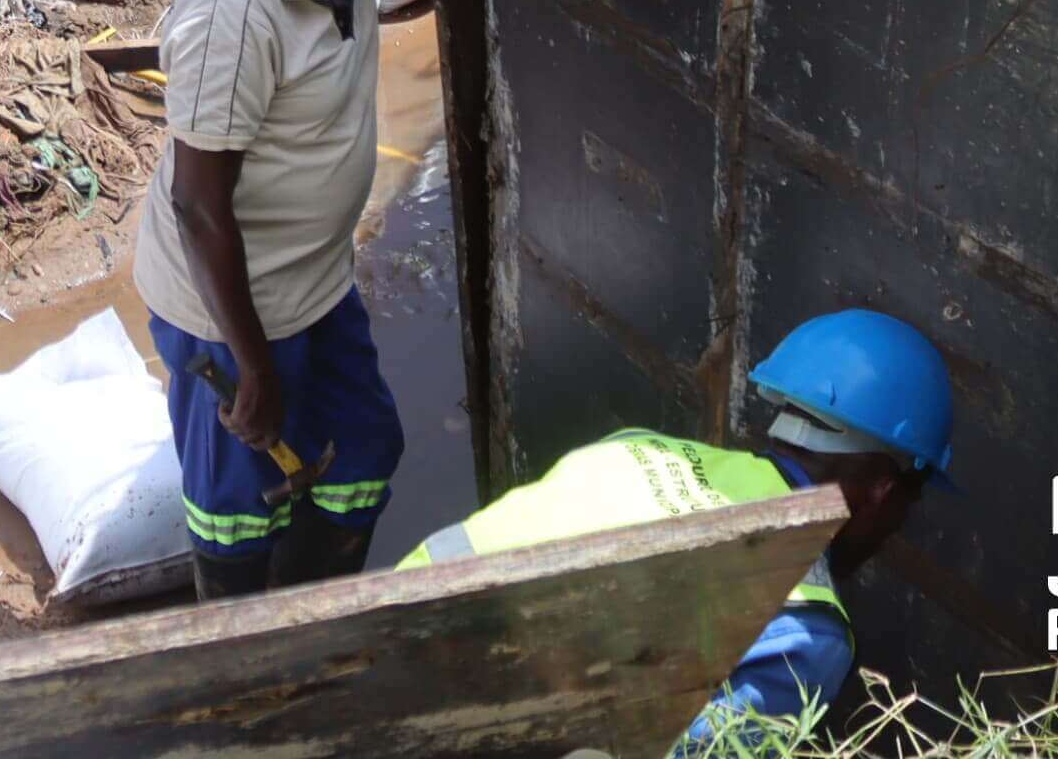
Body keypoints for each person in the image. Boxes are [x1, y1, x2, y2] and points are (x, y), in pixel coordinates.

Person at [137, 0, 633, 600]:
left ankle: (317, 620)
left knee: (363, 457)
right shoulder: (235, 11)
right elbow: (198, 204)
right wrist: (254, 368)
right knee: (237, 514)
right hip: (228, 316)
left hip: (315, 285)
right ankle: (247, 658)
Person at [398, 308, 957, 743]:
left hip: (380, 658)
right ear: (884, 490)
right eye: (910, 501)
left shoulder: (637, 448)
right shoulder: (808, 629)